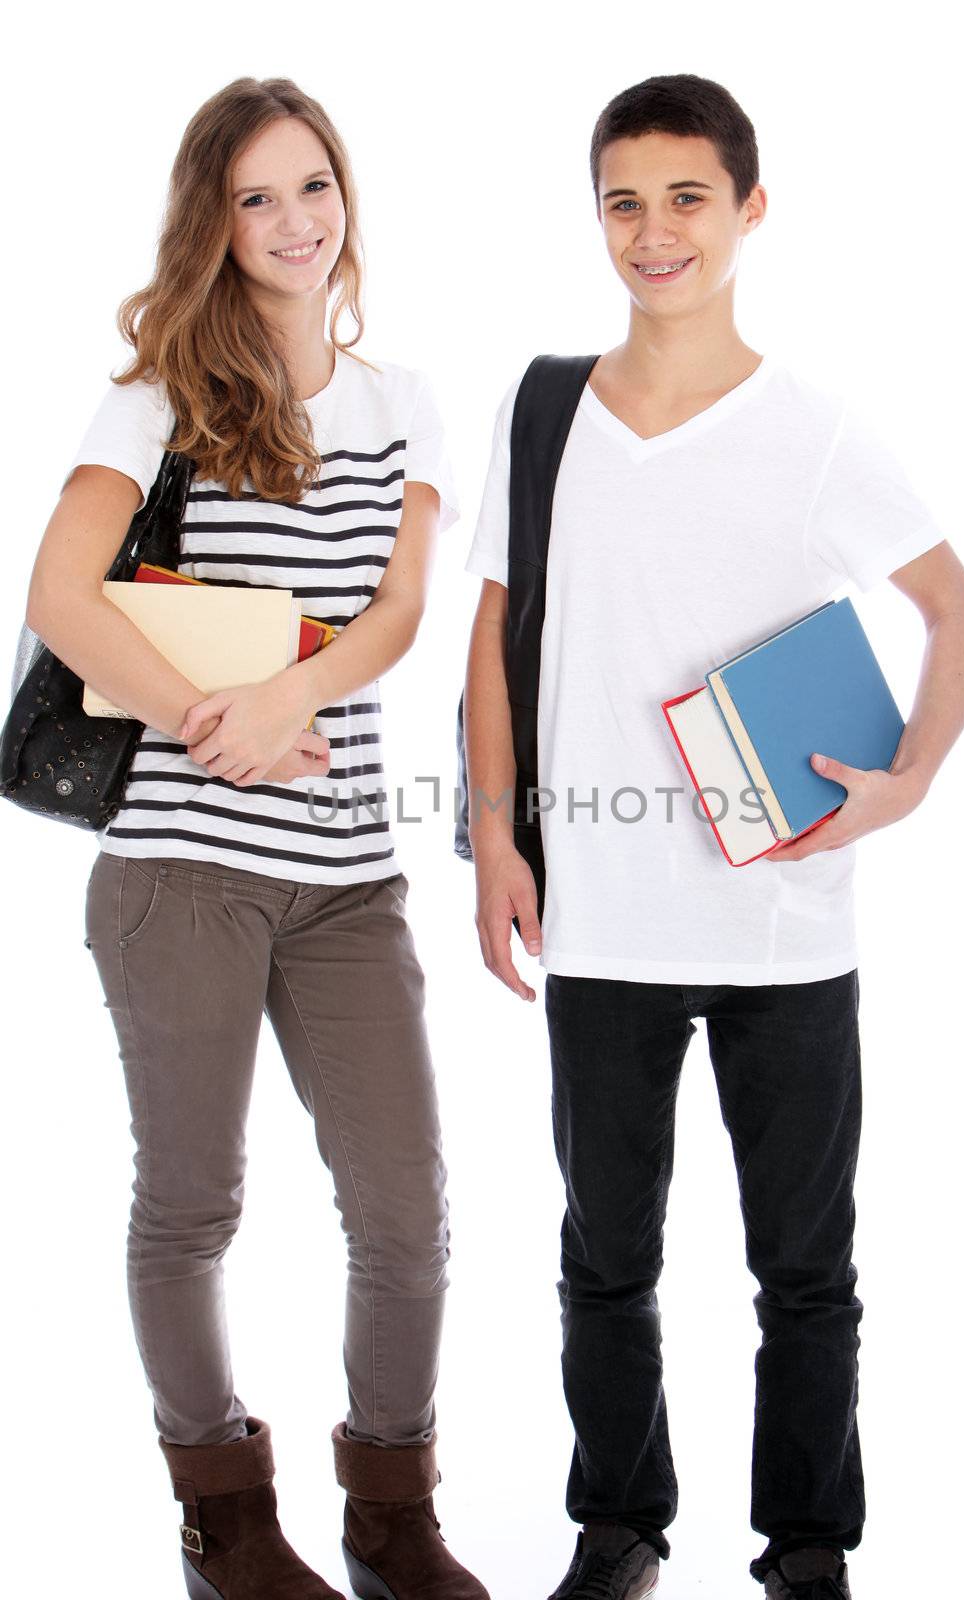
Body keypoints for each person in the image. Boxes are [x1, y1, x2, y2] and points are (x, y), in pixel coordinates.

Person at [462, 73, 964, 1600]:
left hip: (784, 922)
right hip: (604, 920)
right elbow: (496, 641)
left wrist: (912, 778)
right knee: (603, 1260)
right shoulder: (546, 410)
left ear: (750, 213)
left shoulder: (818, 431)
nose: (653, 232)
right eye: (624, 200)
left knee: (805, 1275)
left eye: (687, 197)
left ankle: (808, 1549)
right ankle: (618, 1528)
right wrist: (498, 846)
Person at [25, 76, 488, 1600]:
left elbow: (405, 610)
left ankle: (392, 1512)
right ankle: (224, 1523)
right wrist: (213, 722)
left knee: (406, 1209)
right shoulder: (156, 394)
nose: (295, 223)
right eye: (256, 198)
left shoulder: (402, 396)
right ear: (212, 225)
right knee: (193, 1203)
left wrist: (286, 690)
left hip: (350, 874)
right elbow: (63, 597)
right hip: (182, 872)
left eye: (314, 187)